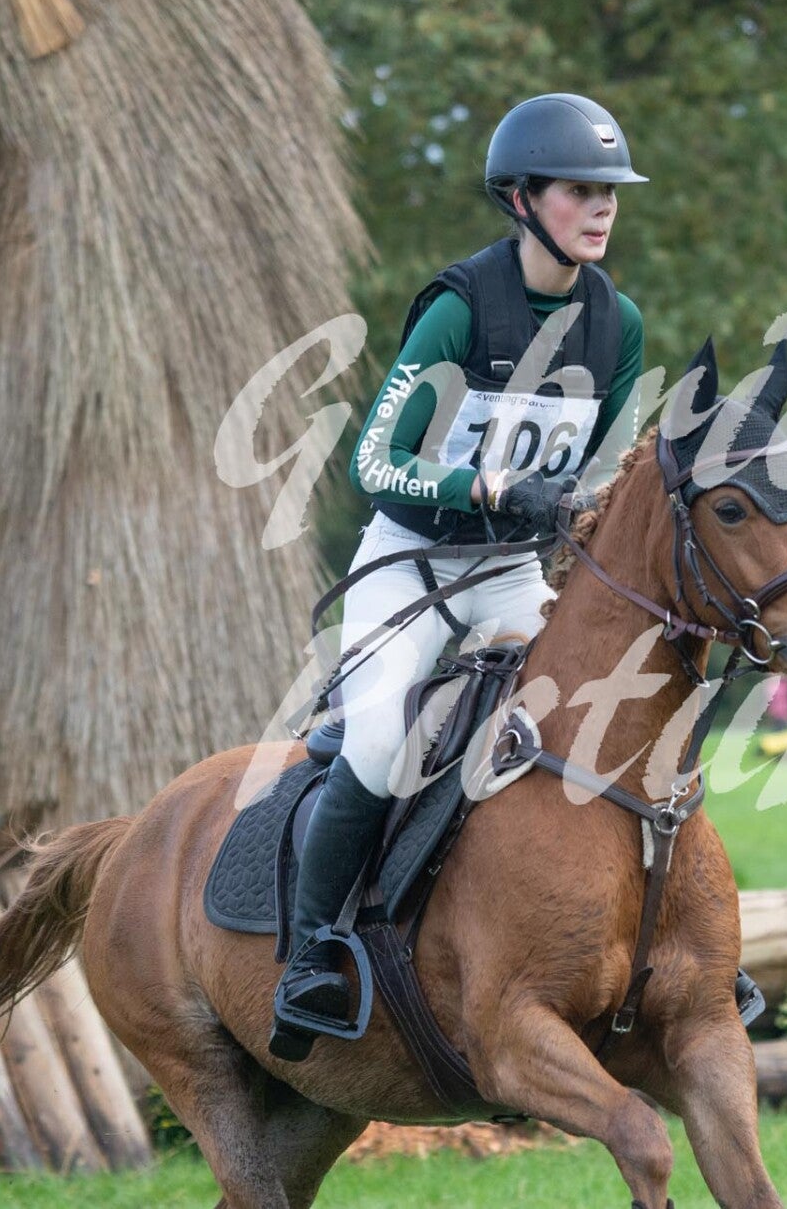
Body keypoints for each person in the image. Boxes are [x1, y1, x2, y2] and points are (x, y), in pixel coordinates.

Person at [272, 93, 648, 1054]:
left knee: (613, 717)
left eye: (609, 191)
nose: (602, 207)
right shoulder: (460, 307)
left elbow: (598, 477)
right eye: (578, 190)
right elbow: (373, 462)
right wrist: (484, 485)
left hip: (512, 575)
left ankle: (658, 933)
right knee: (378, 744)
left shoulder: (618, 325)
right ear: (521, 199)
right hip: (409, 564)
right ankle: (311, 953)